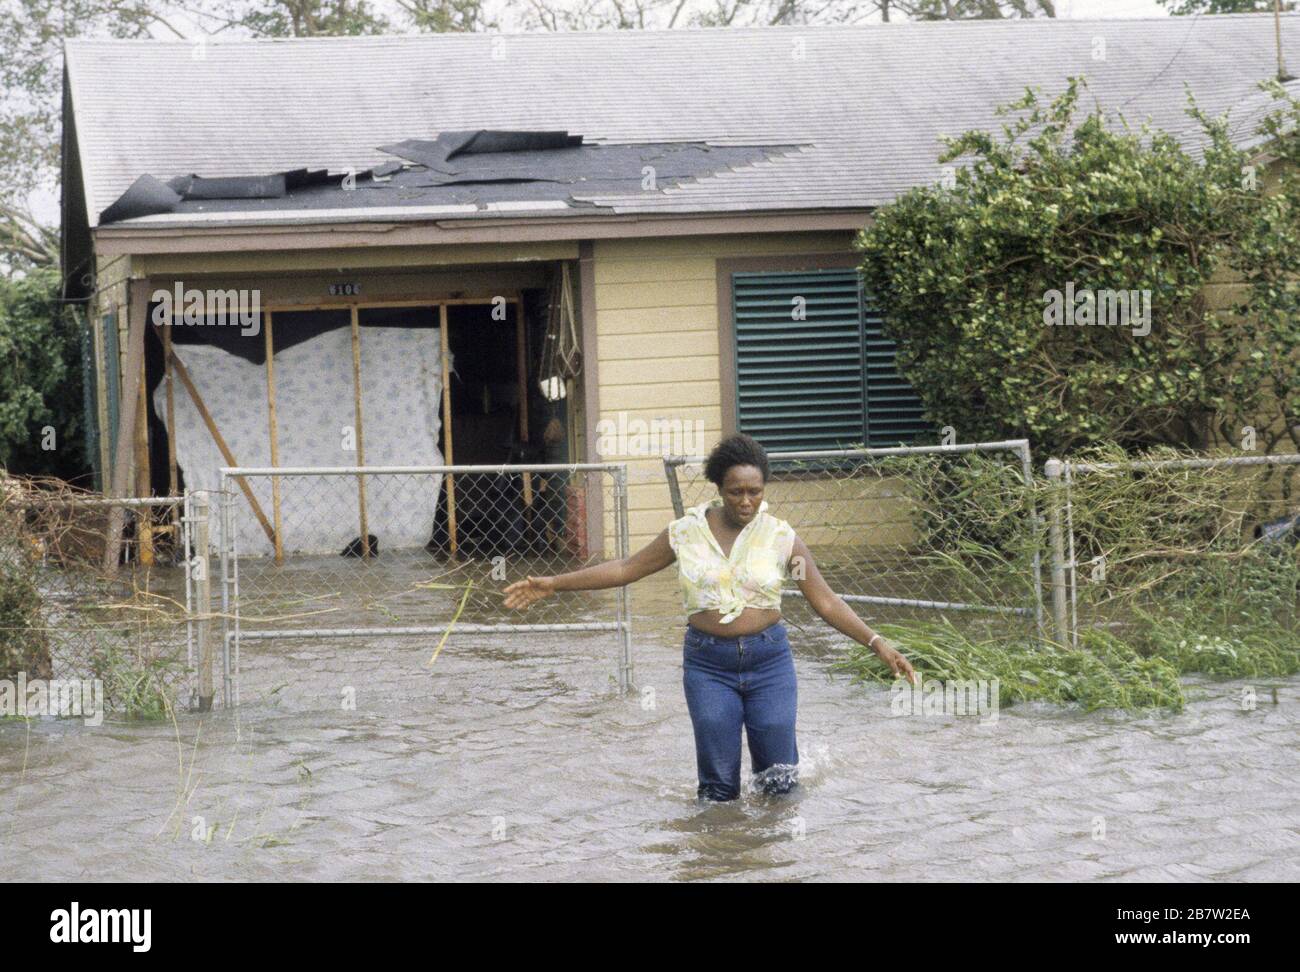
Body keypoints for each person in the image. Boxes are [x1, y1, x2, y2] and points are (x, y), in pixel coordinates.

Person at [503, 432, 917, 802]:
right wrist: (555, 583)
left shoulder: (781, 538)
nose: (746, 501)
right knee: (717, 787)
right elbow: (628, 568)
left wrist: (878, 644)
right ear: (719, 488)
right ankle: (720, 856)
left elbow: (824, 602)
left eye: (755, 491)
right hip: (708, 666)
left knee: (779, 781)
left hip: (769, 662)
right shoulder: (685, 533)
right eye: (736, 491)